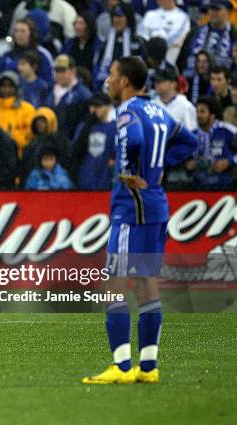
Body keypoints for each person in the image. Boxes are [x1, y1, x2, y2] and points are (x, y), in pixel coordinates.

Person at [82, 56, 197, 385]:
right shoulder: (159, 110)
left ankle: (120, 366)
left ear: (126, 81)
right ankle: (148, 368)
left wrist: (133, 171)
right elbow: (189, 143)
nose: (109, 79)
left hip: (130, 208)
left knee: (113, 286)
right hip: (157, 203)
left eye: (113, 74)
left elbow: (133, 140)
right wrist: (157, 166)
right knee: (147, 284)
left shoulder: (128, 111)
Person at [71, 92, 116, 190]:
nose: (94, 109)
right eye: (92, 105)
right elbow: (75, 151)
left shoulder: (115, 128)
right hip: (85, 179)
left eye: (98, 106)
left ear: (108, 107)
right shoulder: (83, 127)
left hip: (106, 181)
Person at [192, 96, 236, 189]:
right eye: (197, 112)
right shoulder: (192, 134)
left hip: (225, 186)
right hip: (196, 186)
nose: (198, 115)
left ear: (213, 115)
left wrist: (229, 161)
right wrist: (187, 163)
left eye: (202, 112)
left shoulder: (226, 130)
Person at [46, 54, 92, 142]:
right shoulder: (48, 91)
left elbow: (84, 124)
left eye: (62, 70)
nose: (59, 74)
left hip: (70, 142)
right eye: (56, 70)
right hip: (51, 142)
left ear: (73, 71)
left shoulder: (83, 94)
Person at [137, 0, 190, 65]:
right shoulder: (150, 14)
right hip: (151, 51)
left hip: (172, 52)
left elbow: (183, 37)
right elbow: (141, 35)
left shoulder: (183, 17)